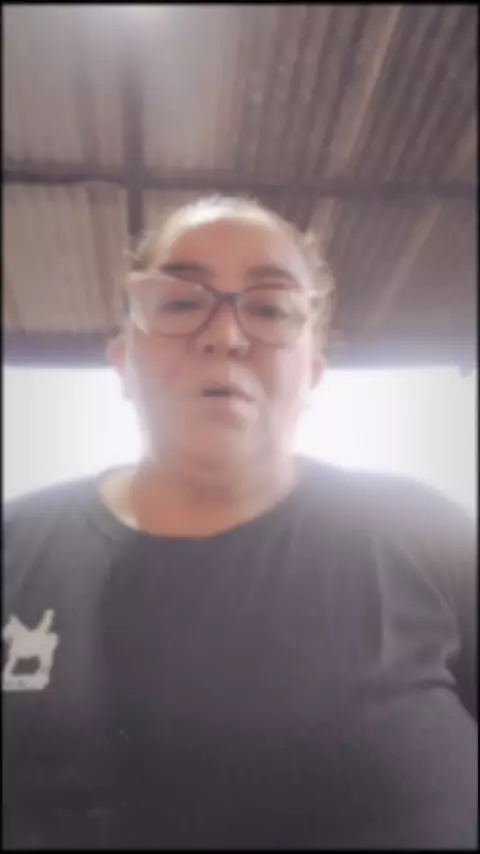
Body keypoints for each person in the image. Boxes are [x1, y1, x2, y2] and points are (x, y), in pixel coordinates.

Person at [3, 196, 477, 850]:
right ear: (123, 360)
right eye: (178, 302)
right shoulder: (14, 550)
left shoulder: (433, 539)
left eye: (272, 309)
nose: (225, 335)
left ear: (313, 372)